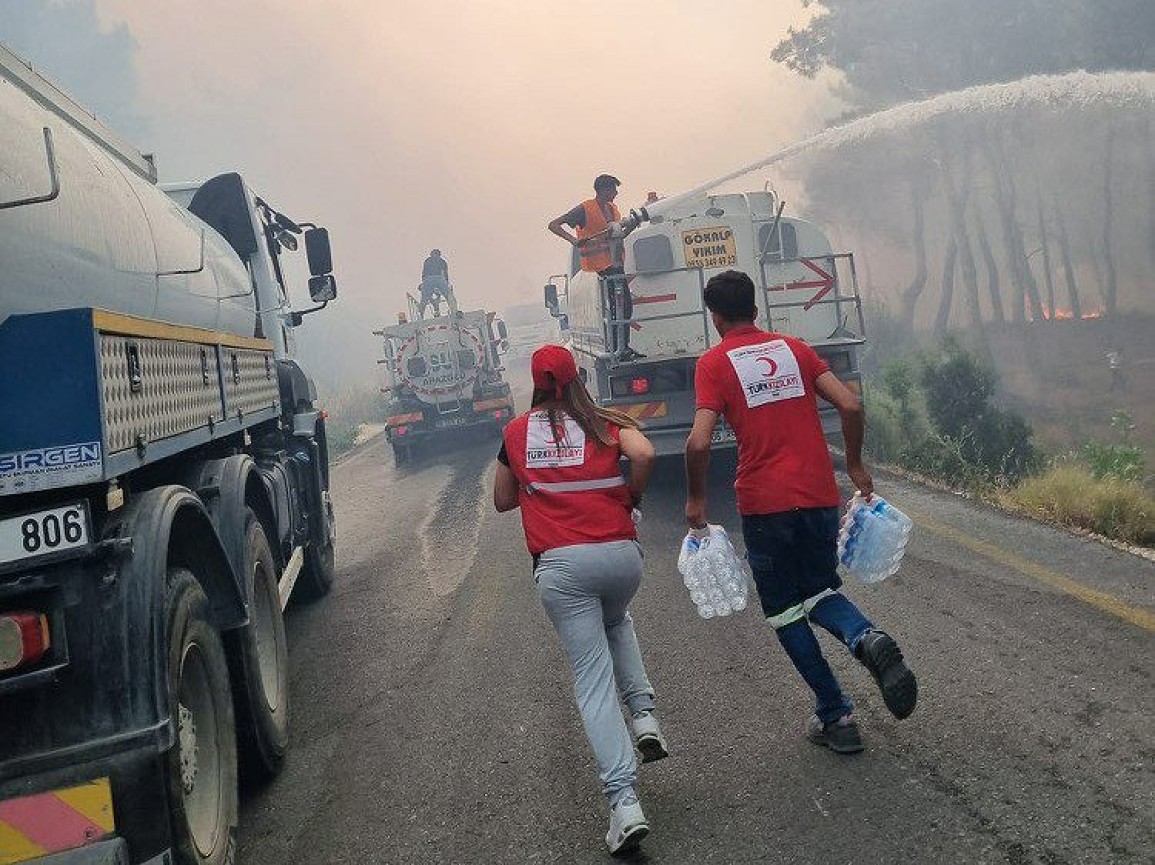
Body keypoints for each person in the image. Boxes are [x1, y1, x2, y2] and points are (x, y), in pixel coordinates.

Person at [683, 270, 917, 755]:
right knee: (819, 589)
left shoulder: (713, 363)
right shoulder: (794, 348)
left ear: (716, 317)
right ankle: (865, 637)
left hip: (766, 504)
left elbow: (700, 439)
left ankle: (837, 715)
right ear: (754, 307)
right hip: (817, 495)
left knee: (786, 610)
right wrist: (853, 465)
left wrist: (697, 501)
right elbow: (850, 404)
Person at [493, 344, 665, 854]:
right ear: (576, 378)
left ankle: (624, 803)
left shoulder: (517, 432)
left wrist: (537, 483)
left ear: (536, 381)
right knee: (617, 619)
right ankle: (645, 715)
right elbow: (647, 455)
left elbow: (502, 500)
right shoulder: (605, 422)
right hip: (621, 559)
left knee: (592, 681)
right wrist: (630, 495)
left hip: (565, 569)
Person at [547, 175, 643, 360]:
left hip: (615, 262)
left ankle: (622, 346)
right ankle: (619, 348)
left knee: (623, 305)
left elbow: (618, 235)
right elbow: (554, 225)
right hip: (601, 265)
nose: (616, 193)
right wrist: (573, 240)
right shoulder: (584, 209)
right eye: (614, 189)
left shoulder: (612, 209)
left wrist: (632, 225)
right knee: (618, 306)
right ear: (604, 190)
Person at [419, 249, 450, 317]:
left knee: (424, 299)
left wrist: (423, 282)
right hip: (433, 279)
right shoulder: (440, 261)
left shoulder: (440, 262)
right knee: (425, 298)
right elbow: (424, 273)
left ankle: (420, 315)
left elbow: (424, 273)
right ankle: (421, 314)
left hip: (435, 279)